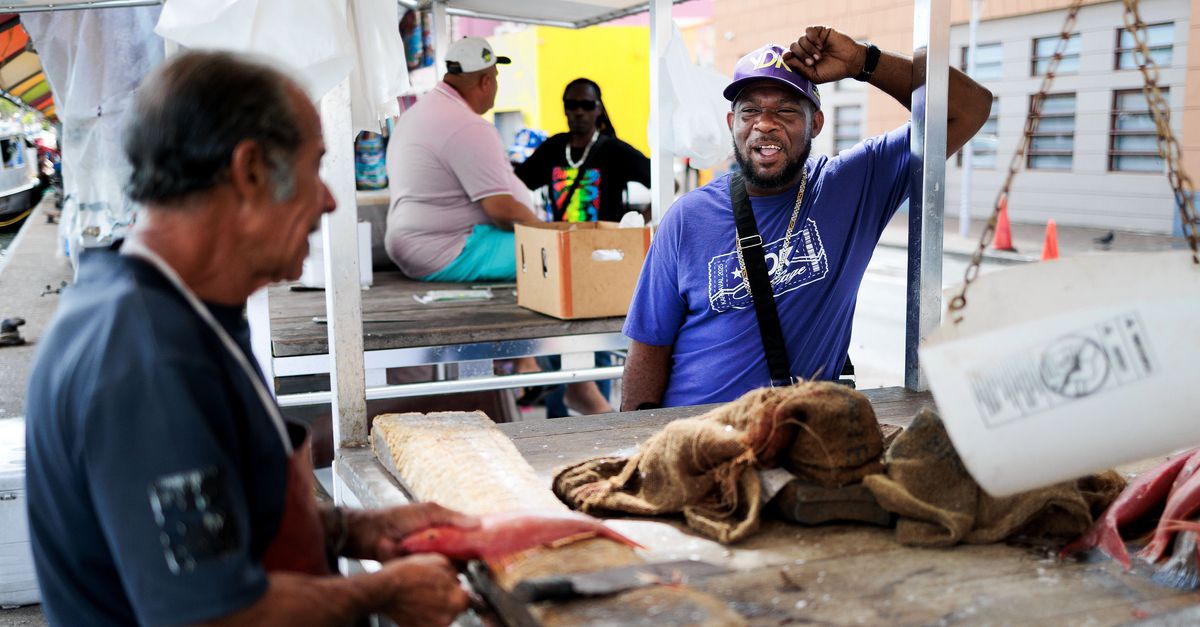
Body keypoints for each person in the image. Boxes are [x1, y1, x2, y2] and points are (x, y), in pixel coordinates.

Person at [24, 51, 478, 626]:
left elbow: (221, 517)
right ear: (251, 171)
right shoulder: (147, 358)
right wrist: (380, 593)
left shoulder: (184, 310)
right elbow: (210, 617)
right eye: (315, 168)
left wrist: (356, 529)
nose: (330, 199)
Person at [620, 27, 992, 410]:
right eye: (750, 111)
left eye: (784, 110)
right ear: (731, 122)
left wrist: (863, 61)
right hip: (696, 432)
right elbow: (649, 345)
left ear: (815, 123)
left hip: (797, 437)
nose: (764, 123)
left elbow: (970, 107)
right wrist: (631, 441)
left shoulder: (852, 186)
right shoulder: (687, 218)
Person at [384, 36, 540, 282]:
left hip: (415, 244)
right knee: (554, 256)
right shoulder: (467, 125)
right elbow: (501, 210)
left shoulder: (419, 113)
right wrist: (545, 232)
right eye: (496, 77)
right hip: (445, 248)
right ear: (486, 82)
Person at [515, 78, 651, 223]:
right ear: (565, 109)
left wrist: (635, 223)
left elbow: (670, 184)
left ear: (599, 109)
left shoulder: (615, 150)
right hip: (561, 243)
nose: (579, 112)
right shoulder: (553, 147)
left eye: (587, 105)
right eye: (572, 105)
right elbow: (516, 185)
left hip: (607, 244)